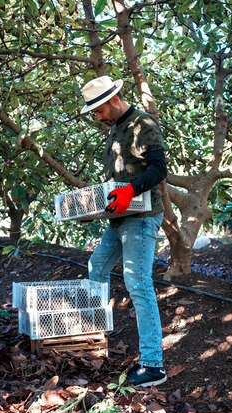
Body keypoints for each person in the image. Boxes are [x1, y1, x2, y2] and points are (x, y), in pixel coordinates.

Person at [80, 75, 168, 387]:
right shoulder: (116, 128)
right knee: (97, 267)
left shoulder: (143, 125)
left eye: (99, 110)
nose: (98, 117)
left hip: (142, 218)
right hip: (119, 219)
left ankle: (153, 364)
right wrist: (96, 206)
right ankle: (93, 339)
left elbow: (159, 169)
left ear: (113, 100)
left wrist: (131, 191)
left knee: (137, 282)